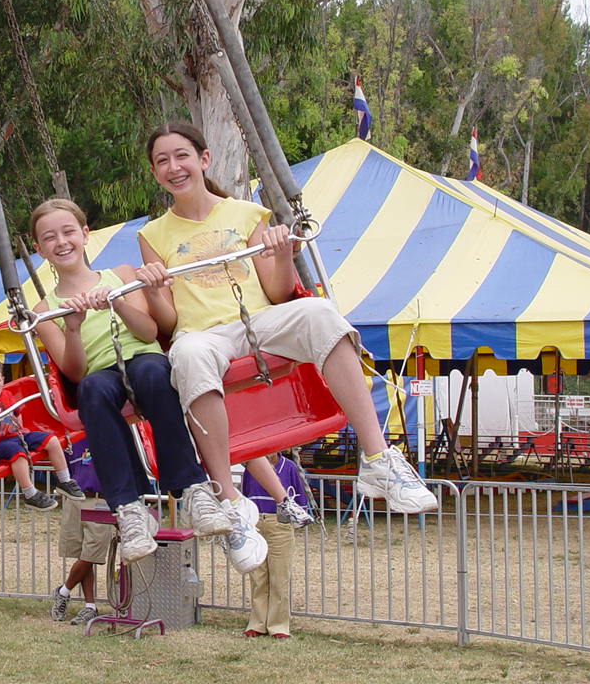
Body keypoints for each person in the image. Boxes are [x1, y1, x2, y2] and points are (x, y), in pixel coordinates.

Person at [134, 121, 436, 570]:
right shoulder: (153, 235)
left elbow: (277, 294)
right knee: (190, 354)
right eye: (162, 161)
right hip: (204, 333)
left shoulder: (246, 215)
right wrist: (156, 289)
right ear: (155, 173)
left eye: (181, 156)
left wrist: (278, 254)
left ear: (203, 159)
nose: (173, 167)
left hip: (258, 320)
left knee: (319, 313)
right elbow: (171, 321)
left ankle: (378, 458)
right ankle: (228, 498)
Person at [31, 198, 291, 574]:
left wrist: (117, 304)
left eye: (69, 231)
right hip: (99, 373)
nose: (61, 242)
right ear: (40, 249)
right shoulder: (44, 311)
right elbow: (73, 371)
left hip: (143, 358)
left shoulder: (121, 275)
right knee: (90, 391)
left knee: (154, 373)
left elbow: (150, 331)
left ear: (85, 235)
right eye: (49, 237)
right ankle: (130, 507)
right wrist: (73, 326)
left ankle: (192, 488)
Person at [0, 358, 84, 511]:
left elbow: (17, 413)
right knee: (18, 453)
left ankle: (65, 481)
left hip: (16, 436)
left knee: (52, 440)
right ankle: (30, 494)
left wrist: (21, 430)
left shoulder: (7, 395)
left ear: (3, 380)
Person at [241, 452, 310, 640]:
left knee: (280, 575)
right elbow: (245, 494)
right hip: (256, 521)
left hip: (280, 522)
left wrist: (299, 517)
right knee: (257, 576)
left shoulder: (289, 467)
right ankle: (257, 622)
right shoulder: (251, 467)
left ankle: (278, 624)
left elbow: (299, 495)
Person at [50, 436, 110, 625]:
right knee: (82, 553)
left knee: (91, 553)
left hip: (101, 500)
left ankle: (63, 591)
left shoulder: (109, 433)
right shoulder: (69, 438)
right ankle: (90, 606)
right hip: (75, 499)